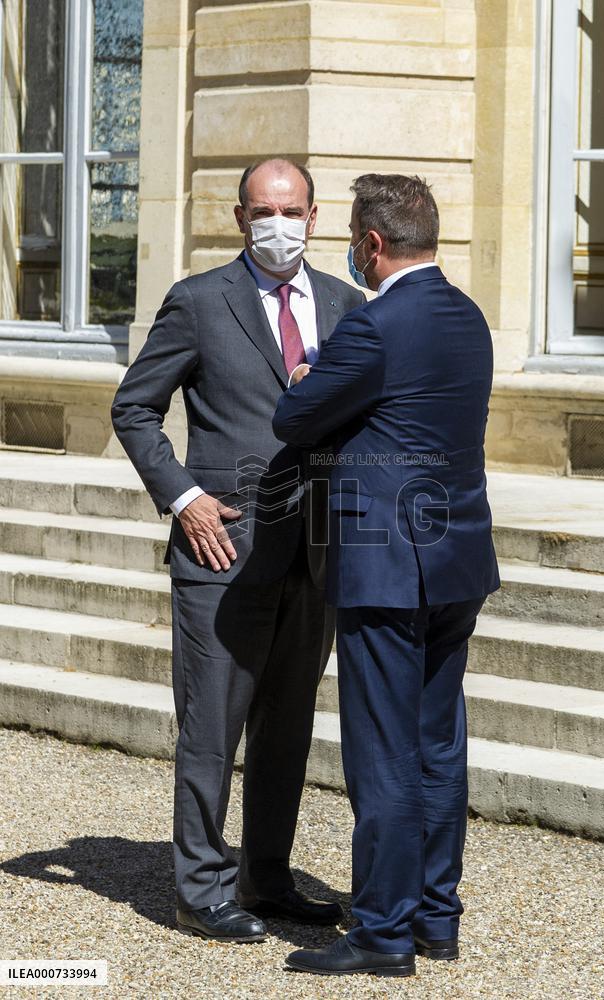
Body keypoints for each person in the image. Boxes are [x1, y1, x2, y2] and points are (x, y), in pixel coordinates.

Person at [111, 158, 365, 943]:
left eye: (290, 210)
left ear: (316, 217)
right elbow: (134, 408)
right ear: (238, 217)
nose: (277, 225)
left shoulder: (346, 305)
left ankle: (265, 877)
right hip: (220, 553)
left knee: (287, 726)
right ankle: (199, 888)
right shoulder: (197, 302)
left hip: (314, 555)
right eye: (262, 210)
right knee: (212, 729)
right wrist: (183, 498)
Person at [273, 173, 500, 977]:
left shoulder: (373, 327)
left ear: (371, 245)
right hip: (458, 557)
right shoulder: (469, 317)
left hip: (383, 563)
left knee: (382, 752)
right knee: (438, 743)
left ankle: (379, 934)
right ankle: (437, 918)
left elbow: (293, 422)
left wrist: (309, 380)